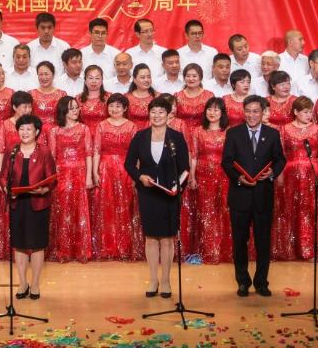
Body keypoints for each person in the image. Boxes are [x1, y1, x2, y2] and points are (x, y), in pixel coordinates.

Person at [124, 97, 190, 299]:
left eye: (161, 112)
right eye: (153, 112)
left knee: (168, 239)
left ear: (169, 115)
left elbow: (185, 168)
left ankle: (166, 281)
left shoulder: (176, 137)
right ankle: (153, 280)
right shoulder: (140, 136)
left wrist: (177, 188)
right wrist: (140, 177)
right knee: (151, 238)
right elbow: (129, 164)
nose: (157, 115)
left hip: (169, 194)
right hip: (148, 193)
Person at [221, 95, 287, 297]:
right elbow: (226, 162)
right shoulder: (233, 133)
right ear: (243, 112)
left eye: (256, 111)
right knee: (240, 242)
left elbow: (280, 159)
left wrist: (273, 173)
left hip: (263, 196)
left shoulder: (273, 134)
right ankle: (243, 282)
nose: (251, 115)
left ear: (263, 112)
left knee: (263, 242)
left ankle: (261, 282)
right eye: (248, 111)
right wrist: (238, 178)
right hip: (240, 196)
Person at [1, 114, 56, 300]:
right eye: (21, 129)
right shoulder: (12, 150)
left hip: (38, 203)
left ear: (37, 131)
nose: (24, 132)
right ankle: (23, 283)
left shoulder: (44, 151)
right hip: (18, 202)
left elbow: (52, 178)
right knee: (20, 245)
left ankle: (35, 284)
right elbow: (3, 176)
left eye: (29, 129)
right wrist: (7, 189)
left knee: (38, 245)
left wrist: (44, 189)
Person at [273, 96, 318, 262]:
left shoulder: (317, 130)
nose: (309, 115)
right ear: (296, 112)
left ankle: (310, 250)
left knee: (310, 210)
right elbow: (280, 155)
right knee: (289, 210)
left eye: (310, 112)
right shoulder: (284, 130)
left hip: (312, 175)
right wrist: (279, 175)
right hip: (289, 176)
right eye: (305, 112)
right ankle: (289, 249)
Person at [91, 94, 140, 260]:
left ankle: (125, 247)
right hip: (105, 169)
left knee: (125, 205)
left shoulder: (132, 126)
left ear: (125, 108)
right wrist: (95, 172)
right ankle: (107, 247)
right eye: (111, 106)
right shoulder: (101, 125)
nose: (114, 109)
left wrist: (136, 174)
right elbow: (96, 150)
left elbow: (136, 153)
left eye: (118, 106)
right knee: (106, 206)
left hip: (126, 169)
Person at [47, 96, 93, 262]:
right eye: (71, 108)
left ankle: (81, 251)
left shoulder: (84, 128)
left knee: (79, 210)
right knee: (62, 210)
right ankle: (63, 250)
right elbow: (52, 157)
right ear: (63, 110)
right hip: (61, 173)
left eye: (76, 107)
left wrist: (89, 177)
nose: (75, 111)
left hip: (80, 172)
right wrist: (51, 178)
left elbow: (88, 154)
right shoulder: (55, 131)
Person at [188, 97, 231, 264]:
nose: (212, 113)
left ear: (222, 113)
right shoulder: (198, 131)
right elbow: (194, 156)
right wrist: (192, 176)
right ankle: (207, 250)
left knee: (224, 210)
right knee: (206, 212)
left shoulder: (229, 132)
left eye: (216, 109)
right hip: (203, 176)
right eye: (210, 109)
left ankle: (225, 250)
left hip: (224, 175)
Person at [0, 91, 34, 260]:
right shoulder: (5, 125)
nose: (27, 110)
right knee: (13, 211)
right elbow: (0, 151)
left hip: (30, 171)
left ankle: (31, 247)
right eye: (24, 107)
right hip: (12, 172)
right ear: (14, 107)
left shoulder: (33, 124)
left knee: (30, 210)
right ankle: (13, 249)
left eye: (29, 106)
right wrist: (1, 176)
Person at [174, 64, 215, 142]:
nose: (191, 79)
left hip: (203, 136)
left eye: (194, 76)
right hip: (181, 135)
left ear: (200, 78)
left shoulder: (209, 95)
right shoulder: (177, 96)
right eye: (188, 76)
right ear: (184, 78)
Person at [30, 61, 66, 138]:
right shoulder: (31, 94)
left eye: (46, 74)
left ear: (53, 75)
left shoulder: (62, 94)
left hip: (57, 134)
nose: (44, 77)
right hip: (36, 134)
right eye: (40, 74)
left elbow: (65, 118)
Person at [78, 65, 108, 136]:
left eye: (97, 78)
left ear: (102, 80)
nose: (94, 81)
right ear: (85, 81)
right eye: (90, 78)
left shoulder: (109, 98)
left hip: (104, 136)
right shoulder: (78, 99)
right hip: (83, 136)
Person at [126, 63, 157, 130]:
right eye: (142, 77)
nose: (146, 80)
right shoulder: (126, 98)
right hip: (131, 133)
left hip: (152, 133)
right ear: (134, 79)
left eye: (149, 77)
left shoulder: (157, 97)